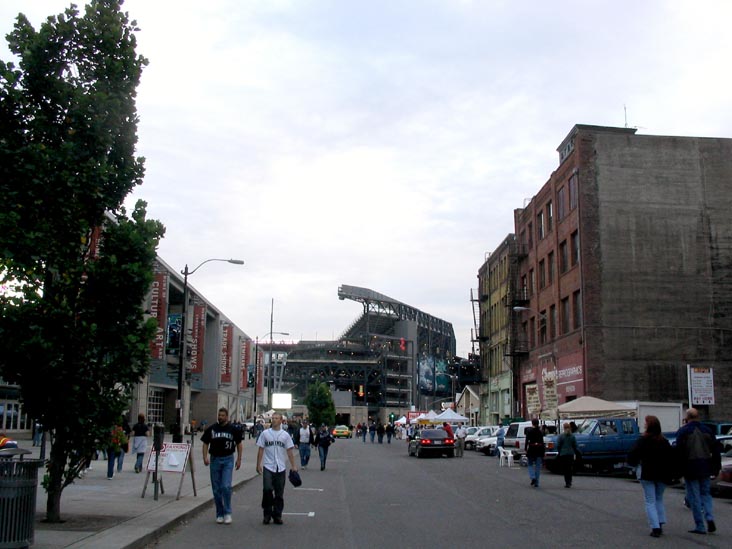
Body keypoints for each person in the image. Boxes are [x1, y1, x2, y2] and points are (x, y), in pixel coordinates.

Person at [674, 407, 722, 535]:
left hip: (690, 467)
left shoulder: (683, 432)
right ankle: (709, 517)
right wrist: (716, 467)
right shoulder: (707, 430)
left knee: (694, 496)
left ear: (687, 418)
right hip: (705, 466)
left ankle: (700, 525)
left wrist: (678, 470)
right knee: (706, 494)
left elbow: (679, 452)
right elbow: (716, 450)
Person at [627, 415, 674, 537]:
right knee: (659, 499)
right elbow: (671, 458)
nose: (644, 425)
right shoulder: (664, 441)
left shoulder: (643, 440)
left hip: (647, 472)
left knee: (650, 500)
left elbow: (633, 454)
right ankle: (660, 521)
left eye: (645, 424)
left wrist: (633, 463)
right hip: (663, 474)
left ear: (648, 426)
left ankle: (655, 527)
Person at [201, 407, 243, 525]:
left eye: (223, 415)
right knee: (216, 488)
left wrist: (239, 459)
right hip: (215, 459)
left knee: (226, 486)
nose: (220, 417)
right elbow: (205, 443)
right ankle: (219, 513)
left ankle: (227, 512)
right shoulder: (212, 429)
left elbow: (239, 444)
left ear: (227, 417)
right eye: (219, 415)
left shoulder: (233, 429)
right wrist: (205, 457)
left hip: (228, 459)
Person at [256, 412, 298, 525]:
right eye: (273, 418)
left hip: (280, 467)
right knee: (267, 489)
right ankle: (267, 514)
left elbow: (289, 451)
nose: (274, 420)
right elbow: (261, 449)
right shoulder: (265, 434)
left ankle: (277, 515)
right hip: (268, 466)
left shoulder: (285, 435)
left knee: (279, 492)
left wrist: (293, 465)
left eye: (276, 418)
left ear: (281, 421)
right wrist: (258, 464)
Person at [556, 422, 578, 488]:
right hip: (570, 454)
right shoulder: (572, 436)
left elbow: (558, 445)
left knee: (565, 469)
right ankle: (570, 481)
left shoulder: (561, 436)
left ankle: (567, 482)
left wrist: (560, 451)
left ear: (564, 428)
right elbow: (575, 445)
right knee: (570, 468)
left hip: (563, 454)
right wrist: (574, 451)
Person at [525, 418, 545, 487]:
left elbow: (527, 440)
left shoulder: (529, 431)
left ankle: (532, 476)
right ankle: (537, 482)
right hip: (539, 449)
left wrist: (525, 448)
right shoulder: (540, 432)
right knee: (538, 466)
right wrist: (543, 451)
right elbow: (542, 442)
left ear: (532, 423)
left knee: (530, 464)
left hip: (531, 448)